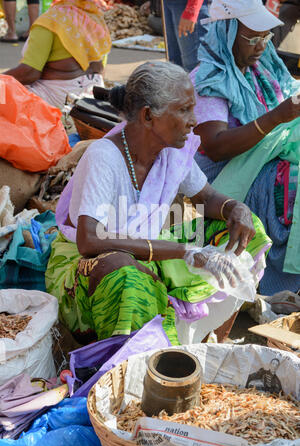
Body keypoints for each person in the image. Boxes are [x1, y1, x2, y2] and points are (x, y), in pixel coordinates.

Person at [45, 61, 270, 346]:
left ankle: (209, 339)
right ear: (149, 116)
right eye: (184, 110)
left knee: (247, 232)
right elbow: (89, 241)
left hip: (148, 248)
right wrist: (184, 252)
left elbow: (208, 197)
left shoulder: (172, 152)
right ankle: (126, 359)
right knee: (124, 273)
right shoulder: (105, 157)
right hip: (97, 264)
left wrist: (235, 208)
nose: (194, 120)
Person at [190, 0, 300, 296]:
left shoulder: (263, 69)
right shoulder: (210, 79)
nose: (262, 46)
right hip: (223, 179)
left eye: (265, 37)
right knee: (293, 187)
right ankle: (278, 282)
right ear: (225, 33)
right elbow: (214, 147)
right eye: (253, 38)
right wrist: (277, 117)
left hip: (262, 162)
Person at [3, 0, 111, 110]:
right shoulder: (96, 18)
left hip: (60, 99)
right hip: (93, 97)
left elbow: (29, 73)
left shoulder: (50, 21)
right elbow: (102, 67)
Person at [162, 0, 210, 72]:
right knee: (174, 65)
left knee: (194, 67)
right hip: (169, 3)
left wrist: (191, 11)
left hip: (188, 5)